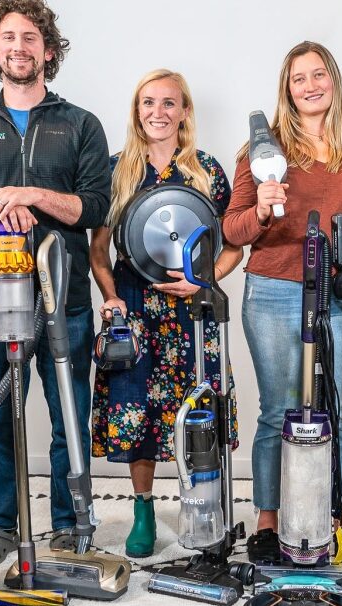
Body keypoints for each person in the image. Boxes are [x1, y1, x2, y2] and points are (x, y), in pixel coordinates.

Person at [0, 0, 110, 561]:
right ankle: (1, 523)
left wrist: (32, 195)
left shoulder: (79, 124)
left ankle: (69, 521)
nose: (19, 47)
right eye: (9, 37)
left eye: (30, 37)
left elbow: (93, 206)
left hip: (66, 300)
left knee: (67, 416)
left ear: (48, 51)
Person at [223, 41, 342, 566]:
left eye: (318, 74)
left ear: (333, 80)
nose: (310, 85)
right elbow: (232, 229)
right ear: (287, 89)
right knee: (278, 411)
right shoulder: (261, 151)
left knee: (339, 412)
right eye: (298, 78)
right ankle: (268, 520)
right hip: (275, 289)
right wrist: (260, 211)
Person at [89, 69, 243, 559]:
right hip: (135, 308)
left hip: (193, 311)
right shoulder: (115, 170)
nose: (158, 112)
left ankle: (201, 507)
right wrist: (111, 297)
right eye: (148, 103)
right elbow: (98, 252)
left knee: (198, 410)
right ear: (137, 112)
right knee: (137, 410)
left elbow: (235, 245)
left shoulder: (207, 171)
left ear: (184, 111)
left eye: (169, 103)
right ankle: (143, 512)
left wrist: (204, 279)